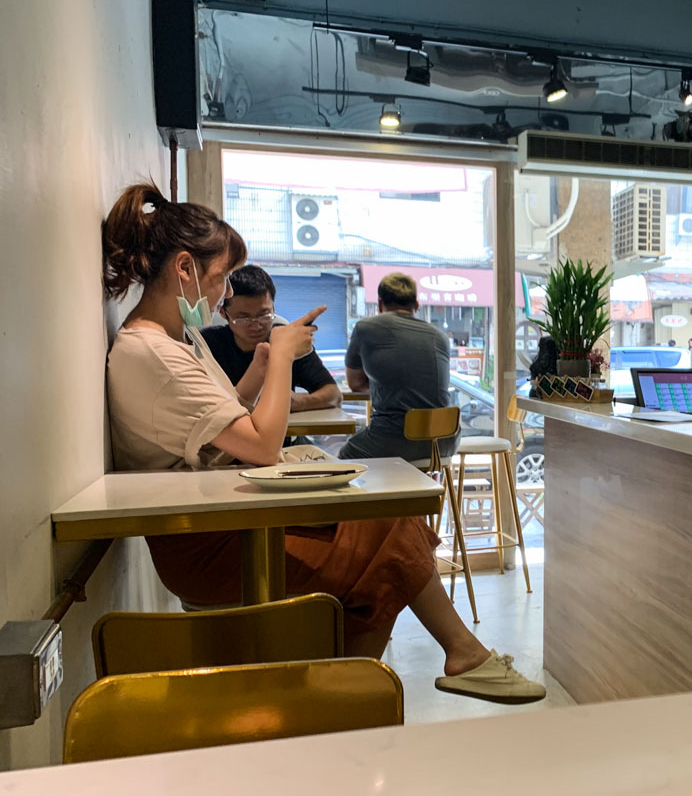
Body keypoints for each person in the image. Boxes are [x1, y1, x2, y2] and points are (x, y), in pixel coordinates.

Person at [102, 183, 544, 704]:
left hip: (224, 515)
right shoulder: (152, 351)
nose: (221, 298)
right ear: (184, 269)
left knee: (393, 527)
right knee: (395, 538)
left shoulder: (175, 342)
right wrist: (283, 356)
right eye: (219, 279)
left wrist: (264, 366)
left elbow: (229, 417)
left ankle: (349, 693)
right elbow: (263, 446)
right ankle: (366, 690)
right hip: (208, 539)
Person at [339, 272, 454, 462]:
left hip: (392, 440)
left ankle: (384, 492)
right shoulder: (439, 336)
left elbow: (355, 383)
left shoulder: (365, 327)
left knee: (346, 456)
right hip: (443, 442)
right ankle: (428, 490)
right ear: (416, 306)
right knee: (417, 456)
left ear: (380, 305)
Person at [199, 264, 342, 412]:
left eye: (264, 315)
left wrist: (297, 402)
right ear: (223, 313)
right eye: (243, 318)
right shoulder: (207, 345)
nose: (256, 326)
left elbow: (333, 394)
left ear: (273, 308)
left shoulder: (287, 340)